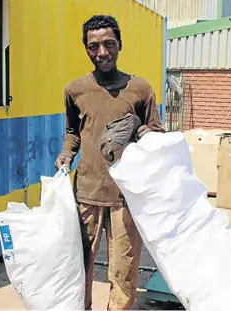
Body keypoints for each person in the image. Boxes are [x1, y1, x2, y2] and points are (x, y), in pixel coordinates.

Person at [54, 14, 165, 310]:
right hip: (86, 194)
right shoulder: (75, 89)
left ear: (120, 45)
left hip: (126, 197)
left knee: (124, 273)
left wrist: (141, 131)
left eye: (108, 44)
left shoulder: (140, 89)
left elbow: (156, 132)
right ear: (86, 48)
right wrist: (67, 154)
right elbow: (72, 132)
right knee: (79, 268)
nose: (102, 52)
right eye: (94, 46)